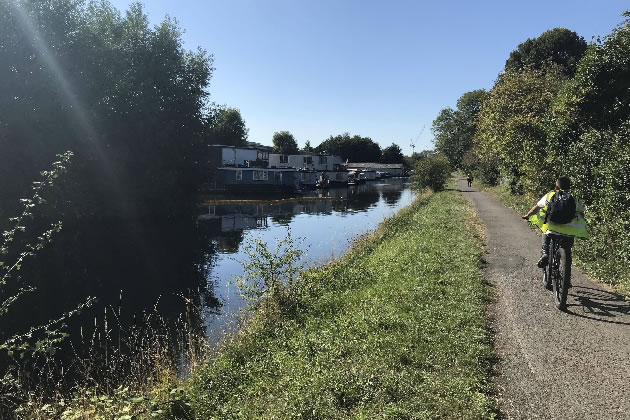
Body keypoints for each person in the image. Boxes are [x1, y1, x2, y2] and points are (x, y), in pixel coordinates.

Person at [522, 176, 588, 268]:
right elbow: (581, 214)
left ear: (556, 187)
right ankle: (566, 271)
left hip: (552, 229)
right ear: (569, 187)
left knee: (545, 232)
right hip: (569, 231)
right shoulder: (575, 199)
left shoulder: (550, 195)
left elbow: (536, 208)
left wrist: (527, 215)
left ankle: (545, 253)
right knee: (568, 246)